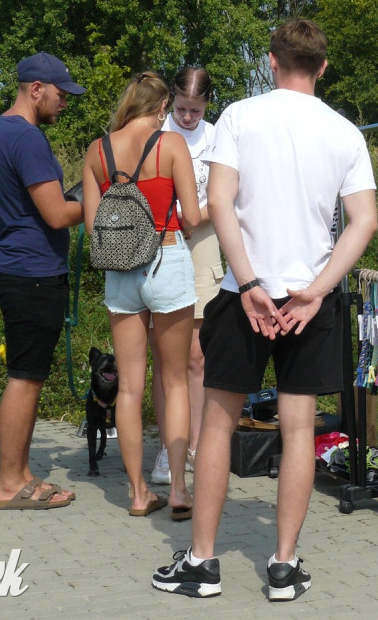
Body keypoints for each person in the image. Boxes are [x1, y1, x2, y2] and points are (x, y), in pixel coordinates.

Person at [152, 19, 378, 601]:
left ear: (272, 61)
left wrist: (249, 280)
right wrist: (320, 288)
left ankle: (203, 564)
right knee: (299, 430)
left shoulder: (240, 117)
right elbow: (364, 222)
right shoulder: (345, 132)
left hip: (240, 292)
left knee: (220, 424)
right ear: (323, 67)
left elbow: (218, 202)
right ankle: (283, 566)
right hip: (309, 300)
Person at [82, 72, 200, 519]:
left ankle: (136, 494)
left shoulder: (97, 151)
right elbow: (190, 216)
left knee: (129, 386)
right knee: (174, 382)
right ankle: (180, 491)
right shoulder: (171, 146)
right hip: (166, 258)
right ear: (161, 107)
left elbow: (93, 227)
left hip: (120, 272)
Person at [0, 52, 85, 511]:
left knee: (26, 376)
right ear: (36, 89)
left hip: (11, 266)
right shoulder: (28, 138)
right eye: (61, 94)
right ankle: (9, 484)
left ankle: (21, 474)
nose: (65, 103)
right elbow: (58, 214)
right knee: (25, 379)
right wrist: (97, 200)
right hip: (33, 273)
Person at [149, 67, 224, 486]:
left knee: (196, 356)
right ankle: (168, 447)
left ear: (207, 105)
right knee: (165, 356)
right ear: (170, 102)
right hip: (159, 242)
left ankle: (194, 446)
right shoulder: (155, 131)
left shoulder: (216, 137)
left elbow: (224, 197)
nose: (188, 118)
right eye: (181, 109)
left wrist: (193, 218)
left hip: (201, 240)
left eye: (195, 111)